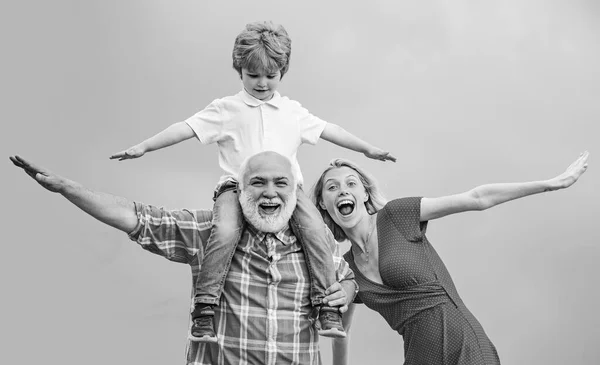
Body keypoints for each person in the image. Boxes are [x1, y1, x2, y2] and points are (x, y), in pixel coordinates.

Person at [109, 21, 395, 342]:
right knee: (225, 230)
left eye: (270, 76)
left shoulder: (291, 111)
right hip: (238, 187)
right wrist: (143, 146)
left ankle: (326, 307)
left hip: (287, 192)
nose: (261, 83)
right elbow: (185, 127)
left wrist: (367, 148)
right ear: (239, 71)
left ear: (282, 73)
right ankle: (205, 308)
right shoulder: (226, 109)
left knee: (316, 229)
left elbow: (331, 129)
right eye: (253, 75)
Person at [10, 151, 358, 365]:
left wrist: (345, 289)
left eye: (280, 183)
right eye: (258, 183)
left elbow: (349, 279)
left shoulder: (317, 245)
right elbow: (136, 217)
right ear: (240, 189)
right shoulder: (208, 231)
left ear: (294, 192)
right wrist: (68, 188)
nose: (269, 192)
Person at [311, 152, 589, 365]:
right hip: (419, 357)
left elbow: (477, 198)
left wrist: (551, 184)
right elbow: (340, 331)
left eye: (351, 183)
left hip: (465, 347)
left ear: (364, 192)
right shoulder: (345, 268)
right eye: (332, 187)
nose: (343, 190)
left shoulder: (396, 216)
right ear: (323, 202)